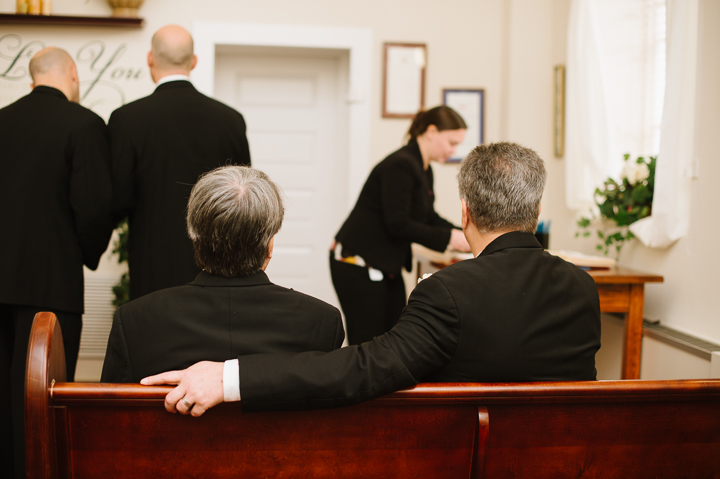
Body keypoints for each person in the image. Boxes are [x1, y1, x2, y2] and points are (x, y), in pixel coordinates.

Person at [142, 142, 602, 417]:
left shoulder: (447, 292)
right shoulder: (583, 288)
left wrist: (228, 377)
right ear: (536, 213)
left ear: (464, 212)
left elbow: (362, 368)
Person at [101, 166, 344, 384]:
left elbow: (107, 415)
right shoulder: (322, 323)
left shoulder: (135, 321)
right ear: (269, 245)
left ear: (196, 238)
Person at [0, 47, 114, 479]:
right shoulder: (84, 124)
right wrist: (87, 252)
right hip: (51, 286)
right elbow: (93, 206)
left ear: (31, 80)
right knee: (45, 396)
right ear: (72, 74)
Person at [109, 24, 251, 300]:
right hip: (218, 265)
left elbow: (118, 200)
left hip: (152, 262)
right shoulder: (230, 120)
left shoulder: (127, 119)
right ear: (193, 61)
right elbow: (244, 197)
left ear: (150, 58)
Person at [332, 106, 471, 344]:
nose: (454, 150)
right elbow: (398, 223)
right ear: (431, 131)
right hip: (357, 261)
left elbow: (427, 216)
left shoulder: (423, 169)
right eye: (451, 142)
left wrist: (465, 232)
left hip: (385, 265)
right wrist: (449, 239)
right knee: (367, 341)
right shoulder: (401, 165)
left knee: (394, 335)